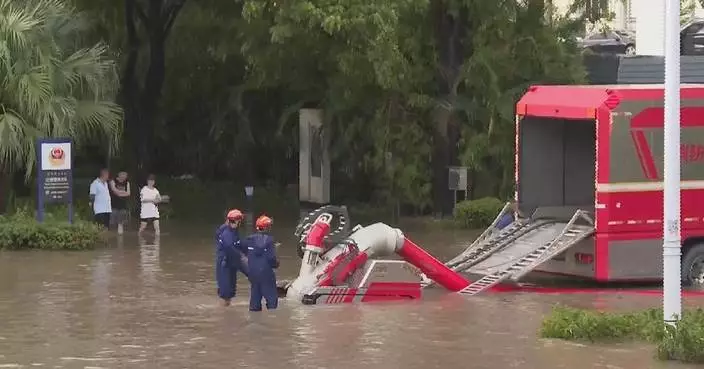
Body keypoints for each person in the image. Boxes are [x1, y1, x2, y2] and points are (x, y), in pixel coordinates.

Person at [243, 215, 279, 312]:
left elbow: (244, 253)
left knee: (255, 300)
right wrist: (276, 264)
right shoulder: (269, 240)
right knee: (272, 301)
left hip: (253, 273)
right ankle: (272, 320)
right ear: (267, 227)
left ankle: (254, 320)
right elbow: (271, 258)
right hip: (266, 273)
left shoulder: (249, 240)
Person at [215, 209, 246, 307]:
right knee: (226, 291)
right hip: (225, 262)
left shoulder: (232, 231)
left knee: (230, 290)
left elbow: (239, 244)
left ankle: (227, 310)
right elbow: (230, 247)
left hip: (230, 261)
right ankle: (224, 311)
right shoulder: (227, 233)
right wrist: (242, 256)